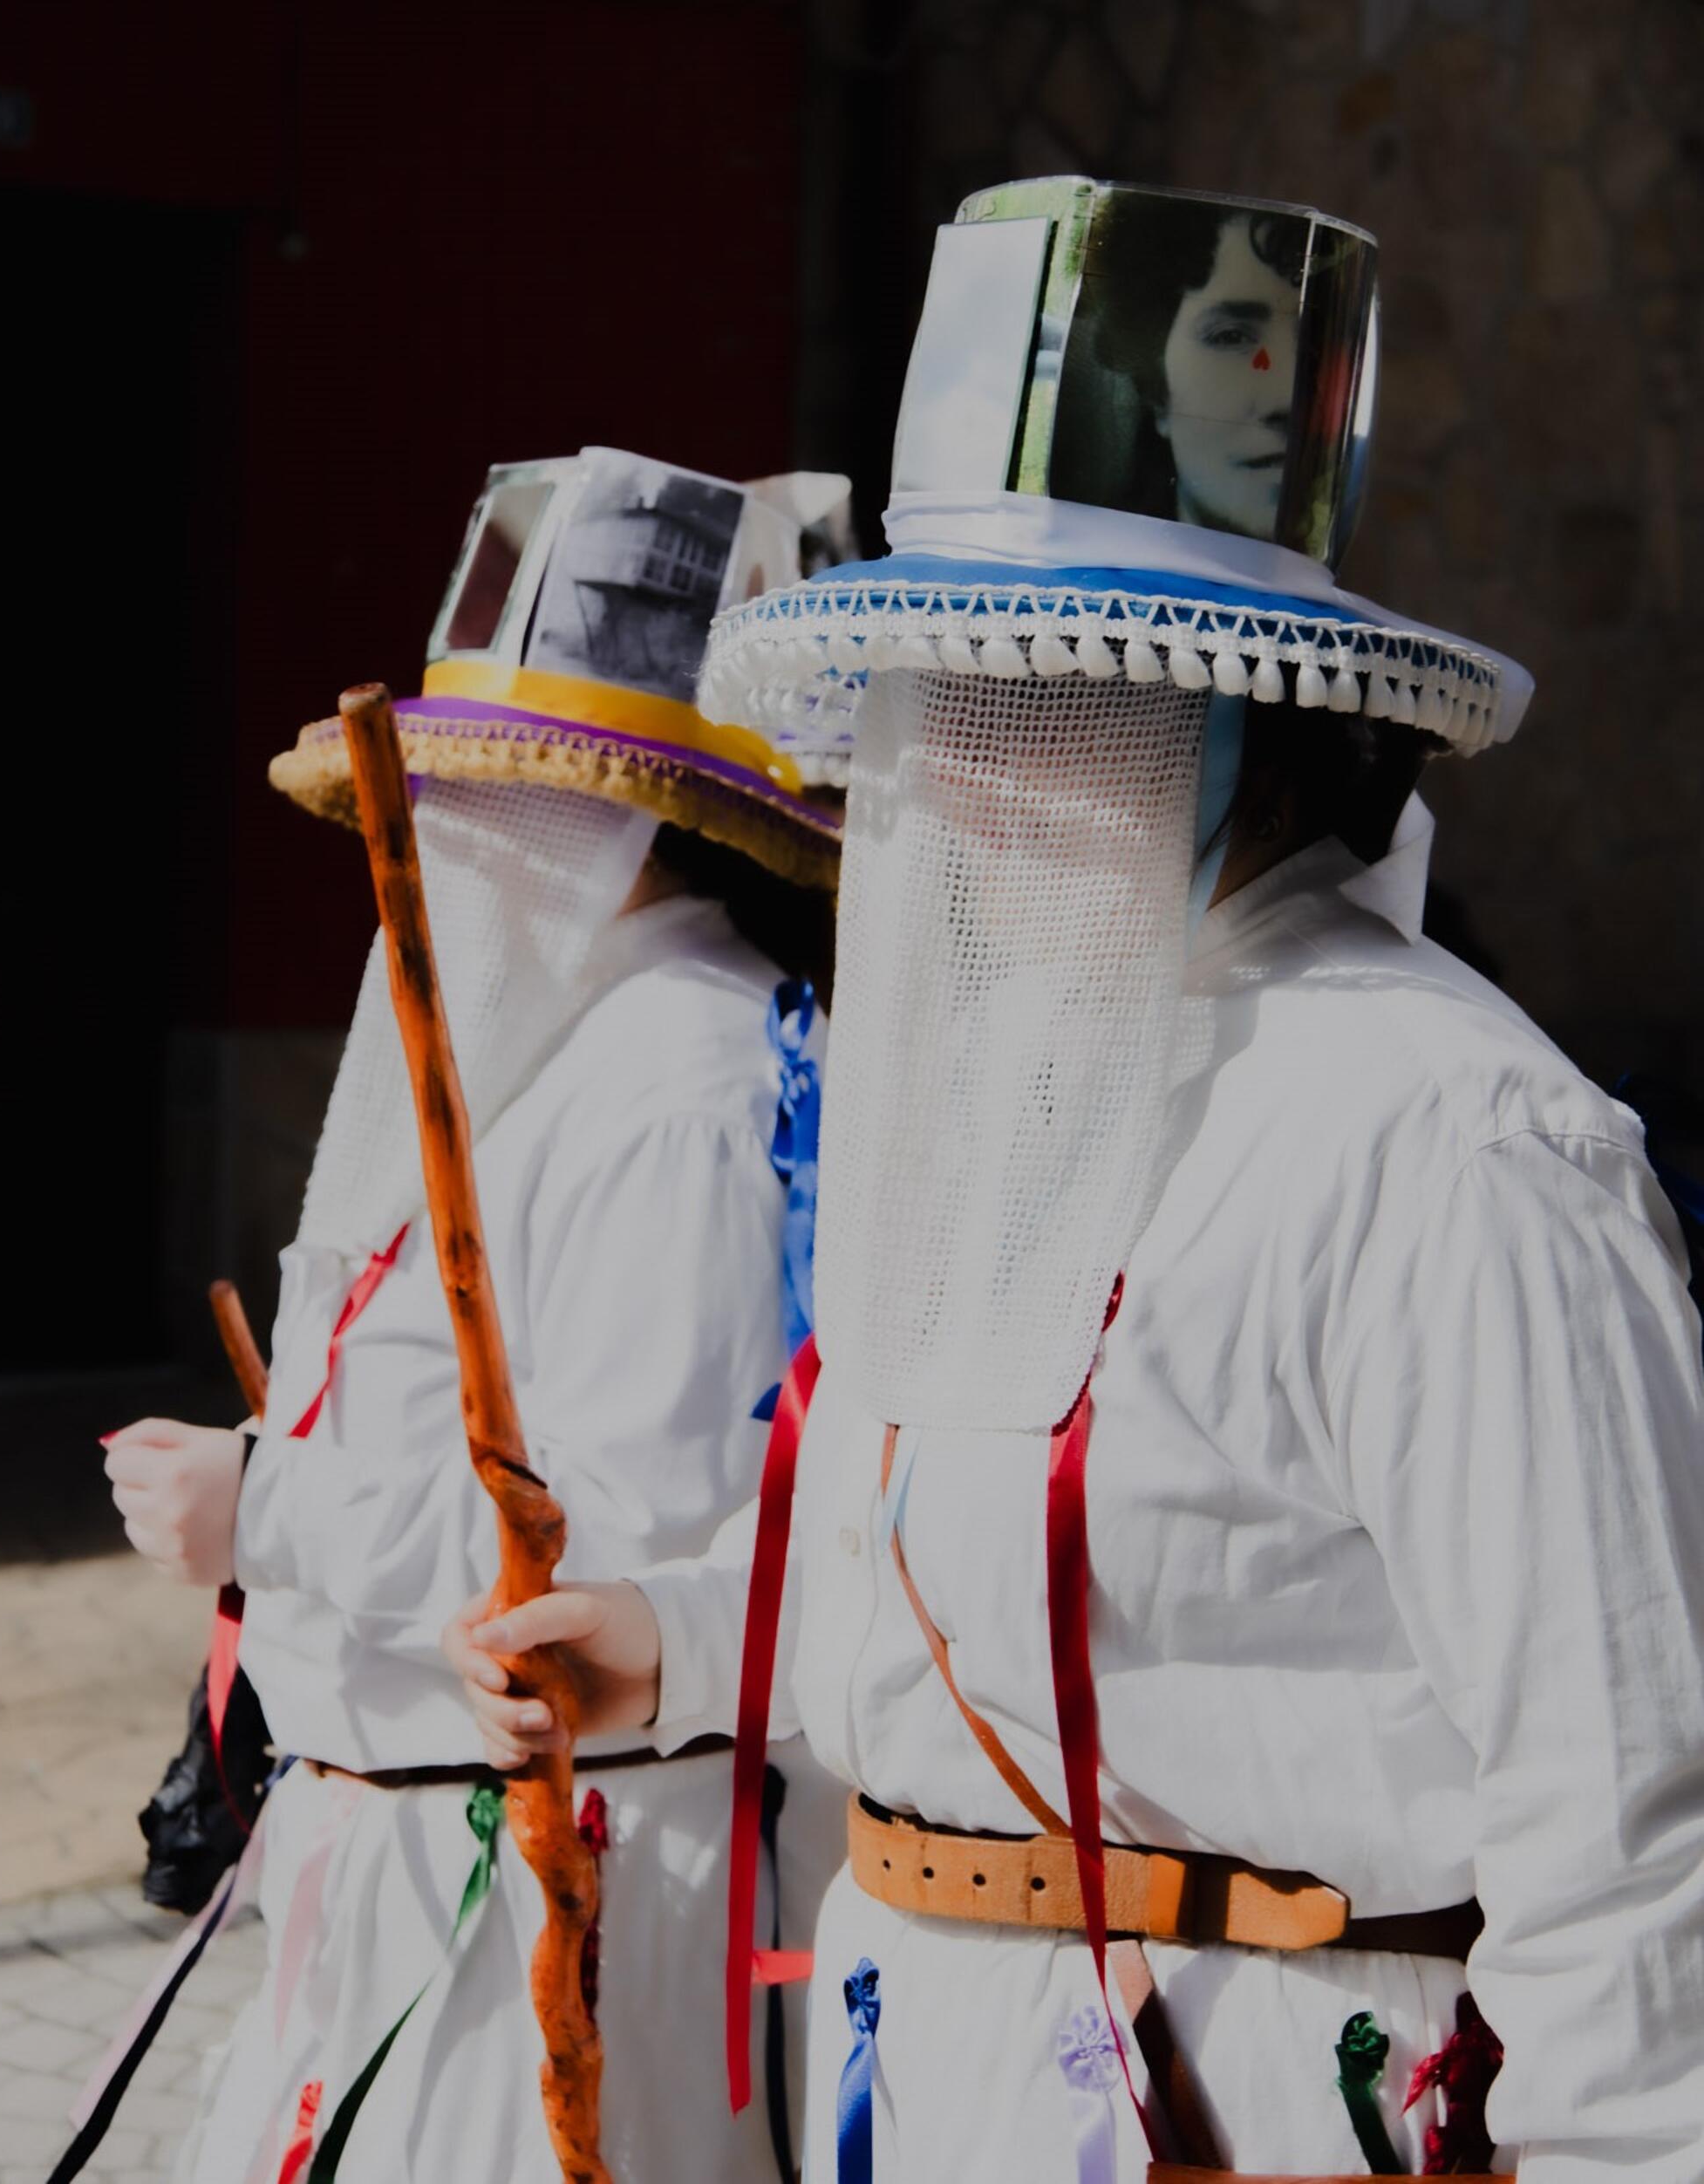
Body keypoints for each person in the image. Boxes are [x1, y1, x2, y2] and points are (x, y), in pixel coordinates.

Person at [449, 183, 1704, 2182]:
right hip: (926, 2066)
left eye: (1041, 694)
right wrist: (682, 1644)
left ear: (1250, 720)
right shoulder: (1022, 1085)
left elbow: (1641, 1805)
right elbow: (970, 1560)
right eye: (940, 701)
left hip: (1266, 2095)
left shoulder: (1450, 1142)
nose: (958, 765)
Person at [99, 449, 850, 2184]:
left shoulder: (684, 1083)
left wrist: (263, 1508)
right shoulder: (573, 1055)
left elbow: (621, 1556)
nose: (436, 846)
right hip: (416, 1883)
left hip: (549, 1906)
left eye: (494, 795)